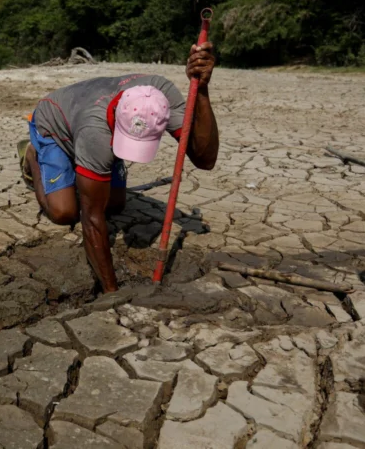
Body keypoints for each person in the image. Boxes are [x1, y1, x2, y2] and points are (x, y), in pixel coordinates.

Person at [18, 43, 219, 293]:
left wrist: (201, 90)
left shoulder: (160, 96)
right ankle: (32, 154)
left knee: (115, 205)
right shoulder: (96, 133)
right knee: (64, 212)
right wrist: (111, 292)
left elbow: (205, 159)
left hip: (89, 124)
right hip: (54, 122)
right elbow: (90, 219)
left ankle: (83, 167)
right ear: (117, 121)